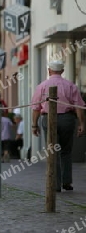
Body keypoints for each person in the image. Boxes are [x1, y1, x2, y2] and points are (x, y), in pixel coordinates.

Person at [31, 60, 85, 192]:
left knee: (52, 151)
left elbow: (36, 108)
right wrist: (82, 123)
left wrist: (34, 125)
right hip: (67, 119)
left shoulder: (42, 85)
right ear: (62, 71)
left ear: (49, 70)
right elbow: (79, 106)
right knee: (66, 151)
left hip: (48, 118)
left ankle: (55, 184)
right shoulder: (70, 85)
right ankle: (67, 182)